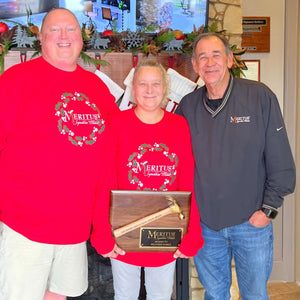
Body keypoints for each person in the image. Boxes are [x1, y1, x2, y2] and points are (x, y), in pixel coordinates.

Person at [0, 8, 119, 300]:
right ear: (41, 38)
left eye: (71, 30)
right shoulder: (16, 79)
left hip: (75, 225)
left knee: (59, 295)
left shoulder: (97, 88)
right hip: (25, 224)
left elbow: (117, 145)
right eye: (55, 30)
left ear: (81, 40)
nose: (64, 36)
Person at [175, 32, 296, 300]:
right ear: (194, 65)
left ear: (230, 59)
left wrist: (269, 210)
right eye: (202, 57)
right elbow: (175, 160)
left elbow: (281, 160)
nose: (209, 62)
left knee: (254, 294)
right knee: (215, 294)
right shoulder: (187, 106)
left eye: (216, 55)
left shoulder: (259, 97)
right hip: (206, 224)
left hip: (251, 222)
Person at [91, 60, 204, 300]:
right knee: (125, 295)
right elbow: (105, 180)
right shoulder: (117, 124)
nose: (149, 90)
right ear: (133, 87)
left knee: (161, 296)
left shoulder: (179, 125)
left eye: (155, 84)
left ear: (165, 88)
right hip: (123, 232)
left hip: (165, 233)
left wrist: (192, 231)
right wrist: (101, 231)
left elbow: (188, 181)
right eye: (143, 84)